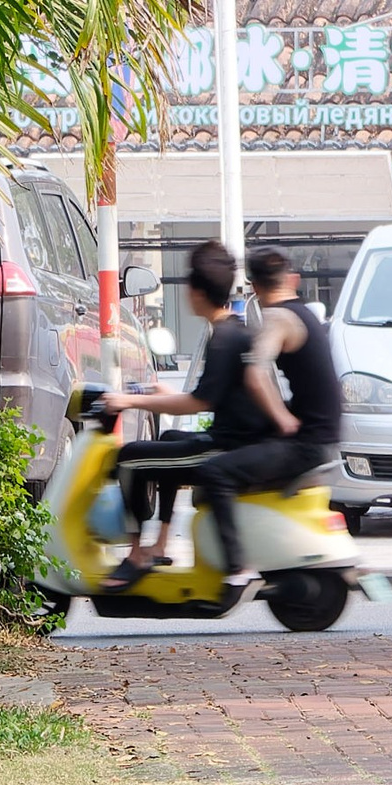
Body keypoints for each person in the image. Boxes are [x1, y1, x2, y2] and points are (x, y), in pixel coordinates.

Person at [107, 241, 343, 586]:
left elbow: (203, 401)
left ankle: (138, 552)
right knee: (168, 438)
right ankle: (158, 544)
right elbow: (220, 395)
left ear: (197, 292)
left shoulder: (227, 337)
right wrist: (166, 395)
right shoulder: (234, 329)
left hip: (228, 444)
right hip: (237, 435)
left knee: (129, 458)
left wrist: (129, 402)